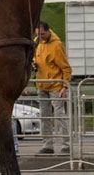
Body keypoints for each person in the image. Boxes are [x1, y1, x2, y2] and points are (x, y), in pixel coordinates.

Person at [33, 21, 71, 155]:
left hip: (55, 85)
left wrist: (64, 86)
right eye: (38, 34)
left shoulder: (57, 45)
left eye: (42, 34)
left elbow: (66, 68)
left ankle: (66, 145)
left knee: (60, 116)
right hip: (42, 84)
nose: (41, 36)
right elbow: (35, 57)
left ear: (48, 31)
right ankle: (47, 145)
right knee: (44, 117)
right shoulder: (37, 42)